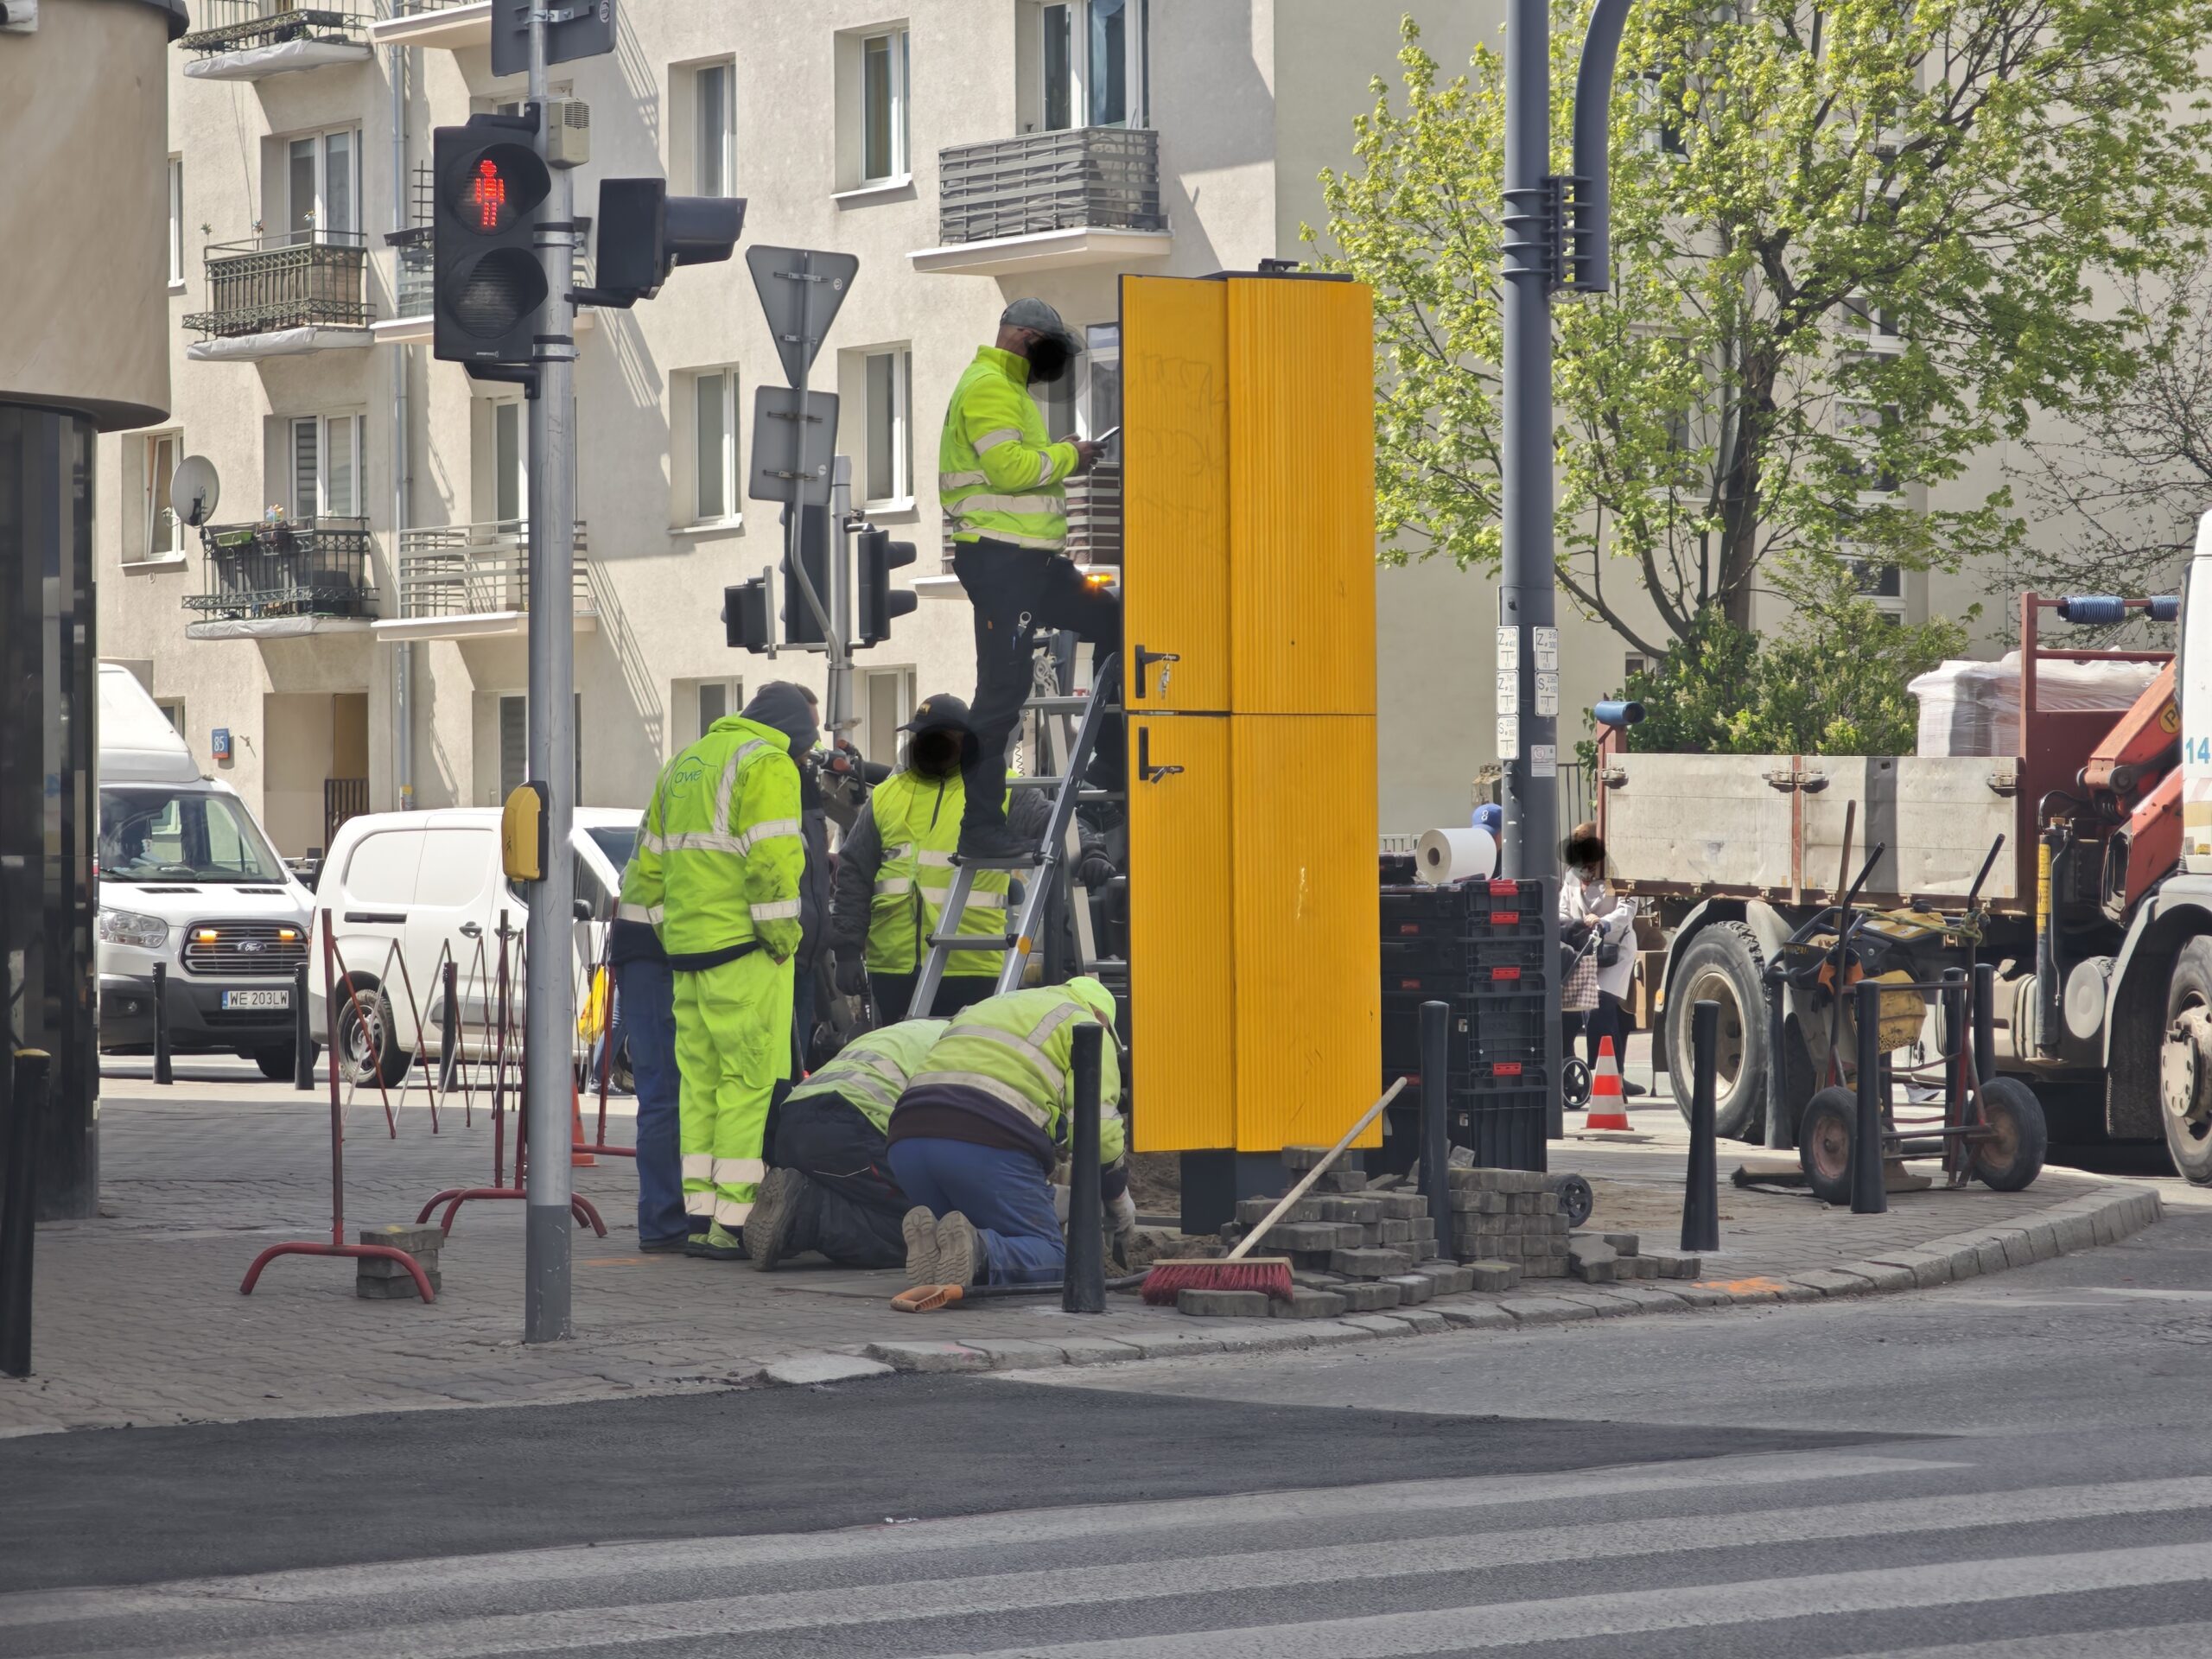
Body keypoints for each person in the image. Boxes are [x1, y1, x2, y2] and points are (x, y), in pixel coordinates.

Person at [628, 681, 814, 1260]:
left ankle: (700, 1215)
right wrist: (783, 939)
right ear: (794, 733)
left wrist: (674, 933)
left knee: (701, 1089)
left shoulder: (683, 764)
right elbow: (774, 863)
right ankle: (733, 1222)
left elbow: (646, 872)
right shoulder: (770, 762)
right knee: (746, 1085)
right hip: (746, 952)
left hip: (686, 956)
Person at [941, 297, 1125, 862]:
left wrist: (1062, 453)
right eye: (1050, 351)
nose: (1055, 366)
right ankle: (980, 828)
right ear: (1023, 337)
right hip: (1004, 565)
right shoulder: (990, 387)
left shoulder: (1007, 390)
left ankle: (1112, 758)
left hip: (1032, 565)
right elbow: (1010, 470)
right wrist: (1069, 455)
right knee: (1001, 693)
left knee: (1117, 619)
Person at [831, 692, 1116, 1022]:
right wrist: (848, 950)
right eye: (923, 736)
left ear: (965, 741)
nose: (928, 744)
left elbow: (1056, 821)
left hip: (972, 965)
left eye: (939, 736)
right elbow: (854, 871)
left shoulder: (998, 789)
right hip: (892, 968)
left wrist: (1091, 850)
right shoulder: (888, 794)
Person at [885, 976, 1135, 1287]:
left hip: (906, 1139)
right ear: (1102, 1016)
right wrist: (1116, 1193)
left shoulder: (990, 1007)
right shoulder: (1086, 1025)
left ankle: (937, 1245)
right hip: (983, 1141)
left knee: (959, 1230)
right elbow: (1099, 1131)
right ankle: (981, 1249)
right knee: (1056, 1256)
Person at [744, 1017, 948, 1271]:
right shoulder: (966, 1047)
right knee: (930, 1230)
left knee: (872, 1196)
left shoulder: (916, 1030)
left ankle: (796, 1206)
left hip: (794, 1123)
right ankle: (805, 1217)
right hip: (851, 1128)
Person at [613, 779, 685, 1253]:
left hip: (647, 944)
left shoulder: (678, 779)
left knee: (664, 1091)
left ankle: (667, 1218)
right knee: (667, 1092)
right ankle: (664, 1221)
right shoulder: (750, 777)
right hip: (665, 949)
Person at [1560, 821, 1642, 1093]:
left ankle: (1609, 1077)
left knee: (1601, 1006)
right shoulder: (1572, 873)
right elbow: (1562, 907)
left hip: (1614, 949)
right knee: (1569, 1014)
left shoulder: (1620, 873)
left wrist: (1603, 921)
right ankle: (1573, 1076)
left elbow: (1627, 910)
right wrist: (1572, 924)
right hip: (1582, 947)